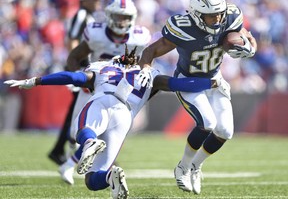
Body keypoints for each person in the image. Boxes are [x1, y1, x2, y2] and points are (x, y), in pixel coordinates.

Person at [4, 46, 218, 198]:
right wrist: (211, 82)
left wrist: (35, 81)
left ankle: (89, 143)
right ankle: (109, 177)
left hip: (103, 100)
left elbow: (75, 78)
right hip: (124, 117)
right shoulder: (151, 75)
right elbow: (177, 84)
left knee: (83, 129)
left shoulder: (102, 67)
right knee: (92, 179)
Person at [137, 0, 257, 195]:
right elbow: (152, 49)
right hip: (189, 81)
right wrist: (145, 67)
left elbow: (246, 35)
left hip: (214, 80)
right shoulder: (183, 27)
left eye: (219, 13)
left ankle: (196, 166)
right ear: (196, 14)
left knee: (225, 131)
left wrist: (250, 47)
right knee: (208, 123)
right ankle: (183, 166)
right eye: (211, 16)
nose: (218, 19)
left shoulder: (231, 16)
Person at [55, 0, 151, 184]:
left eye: (125, 17)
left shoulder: (140, 37)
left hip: (121, 91)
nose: (122, 21)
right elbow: (74, 56)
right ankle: (70, 163)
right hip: (95, 86)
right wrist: (79, 78)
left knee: (108, 132)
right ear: (108, 15)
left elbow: (146, 62)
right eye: (118, 16)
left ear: (132, 18)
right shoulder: (96, 32)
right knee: (78, 132)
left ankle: (75, 165)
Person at [48, 0, 108, 165]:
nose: (98, 2)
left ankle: (60, 149)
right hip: (81, 69)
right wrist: (76, 66)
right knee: (78, 109)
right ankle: (69, 148)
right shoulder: (82, 15)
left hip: (86, 69)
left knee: (76, 110)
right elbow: (73, 39)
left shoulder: (89, 15)